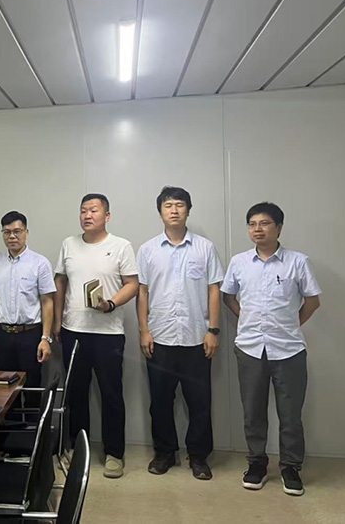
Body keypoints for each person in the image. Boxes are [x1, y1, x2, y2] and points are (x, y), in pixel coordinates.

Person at [221, 202, 320, 496]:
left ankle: (290, 467)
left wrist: (290, 324)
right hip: (250, 348)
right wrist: (246, 318)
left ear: (278, 227)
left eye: (264, 223)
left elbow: (312, 301)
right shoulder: (239, 262)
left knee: (290, 414)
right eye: (252, 224)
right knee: (253, 411)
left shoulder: (297, 262)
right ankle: (257, 463)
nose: (257, 229)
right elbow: (228, 297)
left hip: (289, 349)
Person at [136, 187, 224, 480]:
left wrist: (213, 330)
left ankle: (198, 456)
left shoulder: (205, 248)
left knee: (199, 402)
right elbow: (143, 292)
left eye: (179, 205)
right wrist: (144, 330)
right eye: (168, 205)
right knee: (160, 402)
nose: (174, 210)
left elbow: (214, 289)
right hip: (159, 338)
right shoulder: (148, 249)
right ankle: (165, 453)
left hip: (197, 339)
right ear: (160, 211)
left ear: (188, 210)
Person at [53, 193, 138, 479]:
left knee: (111, 394)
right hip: (73, 330)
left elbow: (132, 284)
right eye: (83, 210)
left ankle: (114, 453)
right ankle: (80, 450)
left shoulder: (121, 246)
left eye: (94, 210)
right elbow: (60, 282)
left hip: (108, 333)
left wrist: (111, 303)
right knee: (76, 394)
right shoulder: (69, 244)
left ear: (107, 216)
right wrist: (57, 321)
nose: (87, 215)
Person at [0, 211, 55, 403]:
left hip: (30, 335)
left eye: (17, 231)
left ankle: (33, 423)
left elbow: (48, 302)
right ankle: (9, 422)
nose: (12, 236)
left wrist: (45, 338)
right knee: (6, 392)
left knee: (32, 388)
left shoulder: (40, 263)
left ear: (26, 233)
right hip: (2, 335)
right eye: (7, 232)